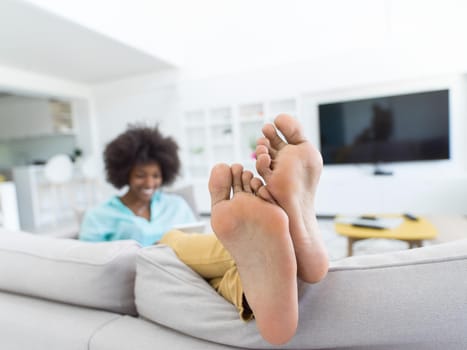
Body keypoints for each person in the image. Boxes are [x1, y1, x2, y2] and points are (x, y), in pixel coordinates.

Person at [79, 124, 197, 246]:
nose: (149, 183)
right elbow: (87, 260)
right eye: (140, 176)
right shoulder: (98, 216)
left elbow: (196, 242)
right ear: (125, 174)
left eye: (156, 176)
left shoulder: (177, 206)